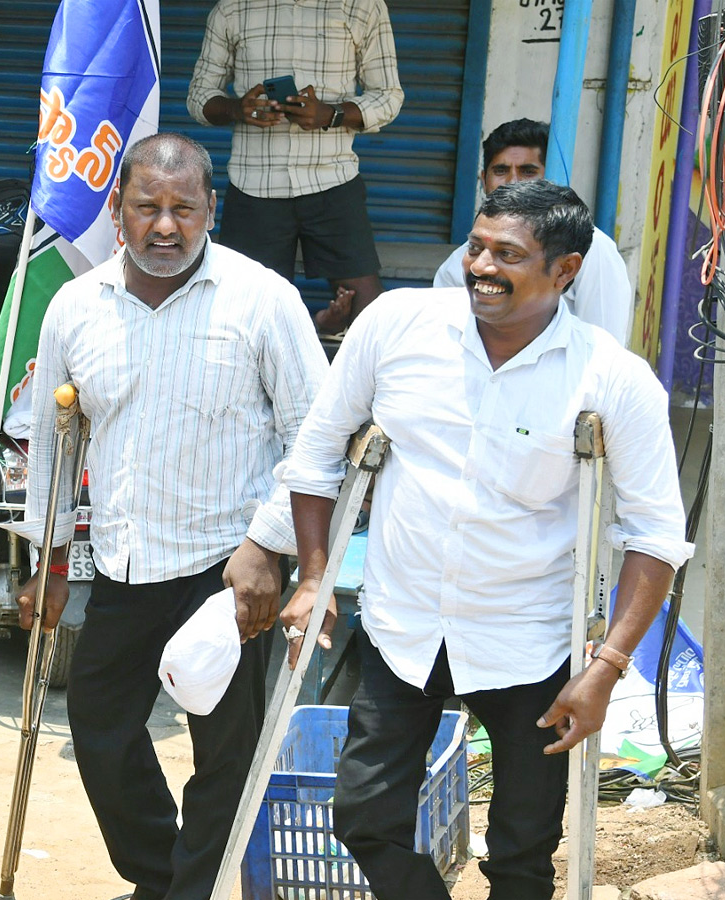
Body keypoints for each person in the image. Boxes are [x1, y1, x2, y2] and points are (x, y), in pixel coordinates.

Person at [278, 180, 692, 900]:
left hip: (529, 642)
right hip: (402, 625)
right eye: (475, 246)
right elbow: (315, 455)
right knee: (363, 817)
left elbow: (655, 534)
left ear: (564, 271)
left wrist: (607, 666)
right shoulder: (399, 325)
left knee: (524, 856)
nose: (480, 267)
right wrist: (314, 576)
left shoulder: (611, 379)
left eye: (508, 255)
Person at [12, 133, 328, 900]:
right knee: (100, 728)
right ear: (117, 212)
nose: (164, 226)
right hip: (124, 560)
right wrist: (46, 562)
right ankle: (163, 877)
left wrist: (271, 548)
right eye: (146, 207)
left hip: (230, 566)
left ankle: (192, 891)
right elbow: (52, 445)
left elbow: (316, 439)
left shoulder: (263, 300)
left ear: (210, 210)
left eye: (182, 208)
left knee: (225, 750)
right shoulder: (74, 307)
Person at [186, 0, 403, 334]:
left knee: (367, 311)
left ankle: (366, 385)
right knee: (245, 314)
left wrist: (331, 114)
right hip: (255, 185)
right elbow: (199, 97)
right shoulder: (232, 9)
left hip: (332, 180)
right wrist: (237, 109)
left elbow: (388, 95)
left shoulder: (362, 6)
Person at [434, 118, 634, 345]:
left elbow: (605, 345)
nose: (513, 182)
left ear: (550, 178)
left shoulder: (591, 247)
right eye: (501, 170)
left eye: (528, 171)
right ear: (483, 180)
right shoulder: (459, 264)